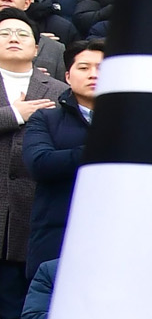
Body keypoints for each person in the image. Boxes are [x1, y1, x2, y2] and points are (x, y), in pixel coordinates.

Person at [0, 10, 60, 319]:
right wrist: (13, 114)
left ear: (37, 48)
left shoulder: (57, 88)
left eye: (21, 34)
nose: (12, 37)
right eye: (5, 32)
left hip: (34, 192)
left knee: (23, 265)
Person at [21, 40, 98, 278]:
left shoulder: (134, 122)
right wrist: (102, 150)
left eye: (103, 68)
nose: (93, 74)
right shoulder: (46, 119)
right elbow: (40, 163)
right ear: (67, 76)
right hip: (57, 235)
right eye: (84, 68)